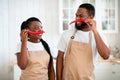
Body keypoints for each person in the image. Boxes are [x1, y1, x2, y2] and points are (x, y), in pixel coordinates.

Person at [56, 3, 110, 80]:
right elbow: (60, 58)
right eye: (76, 15)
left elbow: (105, 56)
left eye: (80, 16)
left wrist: (94, 31)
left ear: (91, 17)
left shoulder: (98, 35)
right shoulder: (67, 34)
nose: (77, 18)